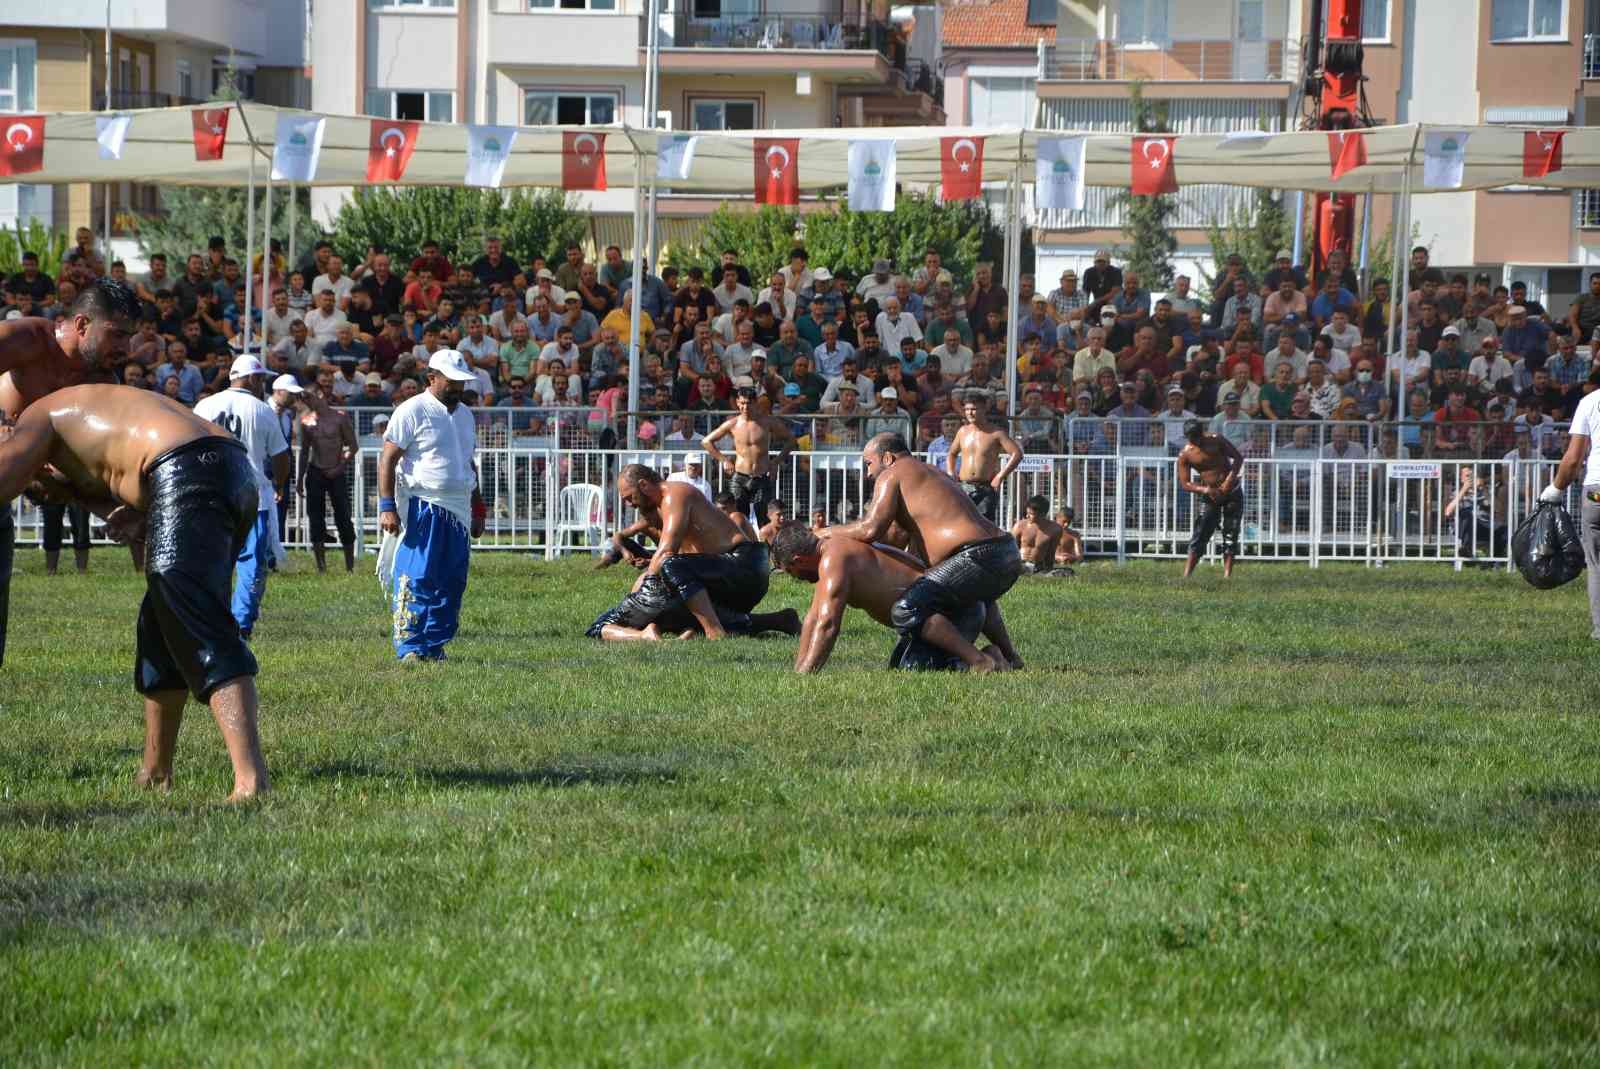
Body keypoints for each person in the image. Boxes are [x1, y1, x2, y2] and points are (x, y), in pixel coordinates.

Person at [0, 383, 269, 799]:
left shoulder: (36, 419)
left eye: (40, 490)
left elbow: (4, 479)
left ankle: (252, 783)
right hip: (230, 471)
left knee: (198, 621)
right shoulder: (84, 420)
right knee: (161, 623)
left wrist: (16, 463)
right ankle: (156, 772)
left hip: (188, 469)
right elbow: (125, 492)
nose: (45, 495)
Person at [0, 278, 131, 668]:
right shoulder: (28, 338)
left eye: (130, 337)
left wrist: (111, 506)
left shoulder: (103, 383)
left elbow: (88, 469)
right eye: (117, 335)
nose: (125, 348)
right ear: (81, 325)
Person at [820, 432, 1022, 672]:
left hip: (977, 556)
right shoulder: (930, 473)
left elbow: (870, 528)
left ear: (886, 458)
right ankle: (1008, 658)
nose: (868, 474)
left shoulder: (892, 475)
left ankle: (979, 662)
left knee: (907, 609)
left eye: (868, 464)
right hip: (1006, 553)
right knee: (979, 601)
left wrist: (822, 532)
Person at [376, 350, 486, 663]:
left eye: (462, 382)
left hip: (459, 507)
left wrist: (477, 507)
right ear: (432, 378)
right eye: (452, 381)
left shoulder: (465, 415)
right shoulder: (412, 410)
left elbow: (468, 462)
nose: (458, 388)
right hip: (424, 504)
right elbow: (387, 458)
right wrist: (387, 506)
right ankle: (410, 646)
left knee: (452, 579)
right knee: (418, 574)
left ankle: (435, 645)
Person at [771, 522, 997, 673]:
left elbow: (828, 624)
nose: (796, 578)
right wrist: (799, 670)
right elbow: (813, 618)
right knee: (900, 667)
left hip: (954, 616)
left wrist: (808, 676)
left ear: (799, 560)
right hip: (938, 618)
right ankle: (985, 656)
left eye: (791, 573)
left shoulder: (835, 559)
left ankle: (982, 660)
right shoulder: (830, 552)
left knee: (915, 670)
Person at [593, 464, 782, 640]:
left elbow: (667, 553)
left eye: (629, 497)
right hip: (722, 574)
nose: (629, 504)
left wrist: (645, 588)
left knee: (671, 567)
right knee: (677, 599)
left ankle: (714, 630)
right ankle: (782, 620)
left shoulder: (675, 494)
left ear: (643, 485)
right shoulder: (659, 510)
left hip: (745, 566)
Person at [193, 354, 292, 638]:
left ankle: (209, 617)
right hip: (252, 496)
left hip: (211, 493)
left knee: (212, 559)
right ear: (251, 378)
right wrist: (280, 483)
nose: (263, 384)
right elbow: (281, 456)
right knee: (251, 562)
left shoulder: (204, 405)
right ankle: (241, 625)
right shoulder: (262, 410)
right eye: (261, 378)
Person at [1540, 384, 1600, 639]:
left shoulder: (1590, 402)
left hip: (1597, 491)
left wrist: (1555, 489)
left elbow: (1574, 458)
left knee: (1597, 564)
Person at [701, 385, 796, 522]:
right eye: (742, 403)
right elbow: (706, 441)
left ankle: (764, 543)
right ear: (738, 402)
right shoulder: (733, 423)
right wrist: (724, 460)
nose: (745, 407)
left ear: (755, 402)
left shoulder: (767, 422)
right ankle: (742, 543)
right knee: (739, 518)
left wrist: (776, 461)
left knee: (763, 518)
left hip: (761, 475)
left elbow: (791, 441)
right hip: (739, 476)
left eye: (748, 403)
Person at [299, 368, 359, 572]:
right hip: (315, 471)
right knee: (316, 517)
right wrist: (299, 479)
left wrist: (340, 466)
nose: (305, 400)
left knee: (343, 516)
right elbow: (304, 452)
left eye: (308, 396)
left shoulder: (340, 417)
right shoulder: (306, 421)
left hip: (336, 472)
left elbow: (353, 446)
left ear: (320, 395)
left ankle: (350, 566)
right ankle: (321, 566)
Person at [1177, 418, 1245, 579]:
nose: (1197, 440)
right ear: (1187, 437)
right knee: (1201, 533)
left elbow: (1238, 458)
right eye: (1192, 438)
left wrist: (1229, 481)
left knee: (1231, 533)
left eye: (1198, 436)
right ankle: (1187, 575)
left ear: (1203, 432)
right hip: (1211, 495)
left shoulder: (1216, 439)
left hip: (1232, 491)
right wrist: (1205, 490)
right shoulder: (1185, 454)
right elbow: (1185, 483)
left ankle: (1227, 575)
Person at [946, 393, 1022, 522]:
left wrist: (1000, 476)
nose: (970, 413)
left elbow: (1017, 454)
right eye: (967, 409)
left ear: (984, 409)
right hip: (963, 486)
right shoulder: (963, 431)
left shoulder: (996, 432)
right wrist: (951, 473)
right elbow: (951, 454)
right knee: (962, 523)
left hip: (985, 487)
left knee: (985, 527)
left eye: (974, 409)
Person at [1011, 495, 1063, 575]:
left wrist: (1049, 570)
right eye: (1027, 513)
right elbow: (1011, 550)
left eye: (1031, 514)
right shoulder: (1020, 526)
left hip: (1038, 566)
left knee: (1066, 573)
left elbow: (1051, 553)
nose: (1027, 516)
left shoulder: (1055, 529)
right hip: (1020, 564)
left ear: (1042, 514)